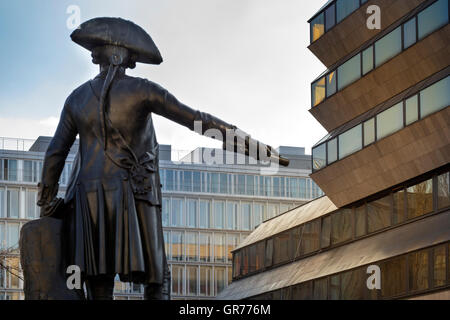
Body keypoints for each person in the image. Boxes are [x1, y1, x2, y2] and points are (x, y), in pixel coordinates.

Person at [37, 17, 288, 300]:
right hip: (134, 192)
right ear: (119, 55)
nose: (132, 62)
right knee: (157, 276)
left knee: (98, 280)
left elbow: (56, 151)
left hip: (87, 198)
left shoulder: (76, 98)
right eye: (130, 57)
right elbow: (196, 120)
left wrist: (46, 199)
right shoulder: (143, 89)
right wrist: (252, 146)